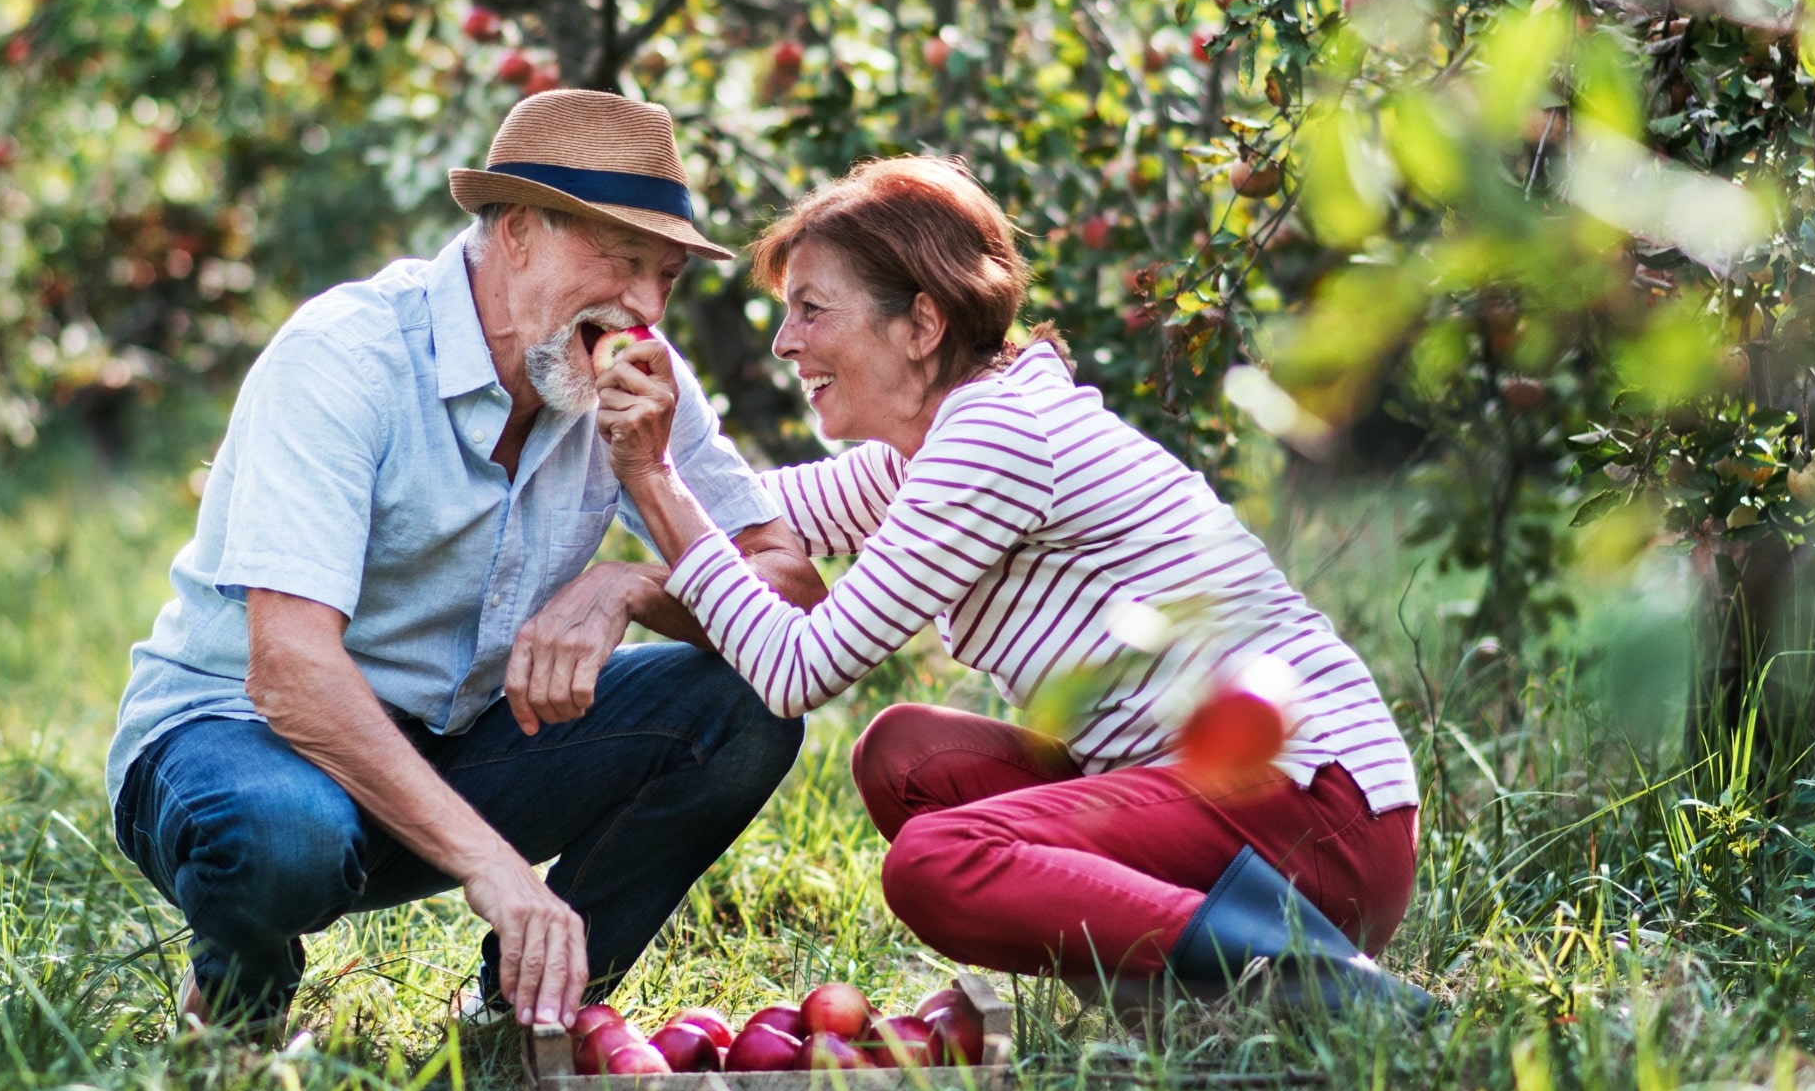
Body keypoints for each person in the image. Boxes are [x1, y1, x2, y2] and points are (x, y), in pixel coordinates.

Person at [594, 156, 1426, 1010]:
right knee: (907, 758)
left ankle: (1313, 981)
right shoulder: (938, 447)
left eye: (812, 309)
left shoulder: (998, 440)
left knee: (935, 862)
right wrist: (619, 440)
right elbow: (748, 519)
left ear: (921, 323)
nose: (785, 341)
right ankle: (1177, 997)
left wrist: (652, 487)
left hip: (1319, 820)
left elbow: (795, 671)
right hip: (1243, 807)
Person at [107, 90, 823, 1036]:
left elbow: (792, 598)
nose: (648, 307)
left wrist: (634, 576)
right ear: (519, 231)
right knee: (280, 839)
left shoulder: (643, 376)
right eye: (622, 260)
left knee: (744, 708)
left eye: (667, 277)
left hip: (460, 742)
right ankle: (239, 1002)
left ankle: (518, 1019)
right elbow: (288, 672)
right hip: (246, 739)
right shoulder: (344, 359)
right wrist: (496, 871)